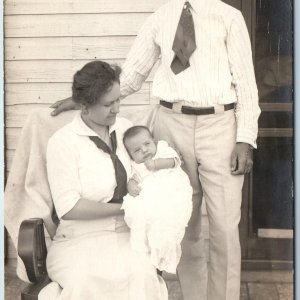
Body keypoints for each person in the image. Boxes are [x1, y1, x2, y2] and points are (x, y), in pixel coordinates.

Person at [50, 0, 261, 299]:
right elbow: (132, 76)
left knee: (225, 227)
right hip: (171, 124)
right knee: (181, 221)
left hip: (220, 125)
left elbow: (247, 84)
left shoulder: (230, 17)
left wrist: (245, 138)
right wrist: (84, 100)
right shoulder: (161, 17)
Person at [46, 61, 168, 300]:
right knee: (85, 281)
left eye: (118, 100)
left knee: (142, 276)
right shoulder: (63, 143)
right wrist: (124, 208)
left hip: (127, 235)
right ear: (84, 107)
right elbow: (68, 207)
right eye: (108, 104)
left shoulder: (126, 130)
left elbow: (146, 173)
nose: (117, 109)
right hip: (78, 239)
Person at [122, 125, 193, 274]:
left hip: (173, 189)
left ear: (154, 141)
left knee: (169, 219)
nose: (144, 150)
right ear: (130, 155)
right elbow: (134, 178)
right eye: (136, 150)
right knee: (142, 215)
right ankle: (148, 249)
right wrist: (131, 185)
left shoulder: (162, 149)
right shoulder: (136, 165)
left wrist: (156, 164)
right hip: (153, 197)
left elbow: (175, 161)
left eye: (147, 144)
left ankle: (164, 247)